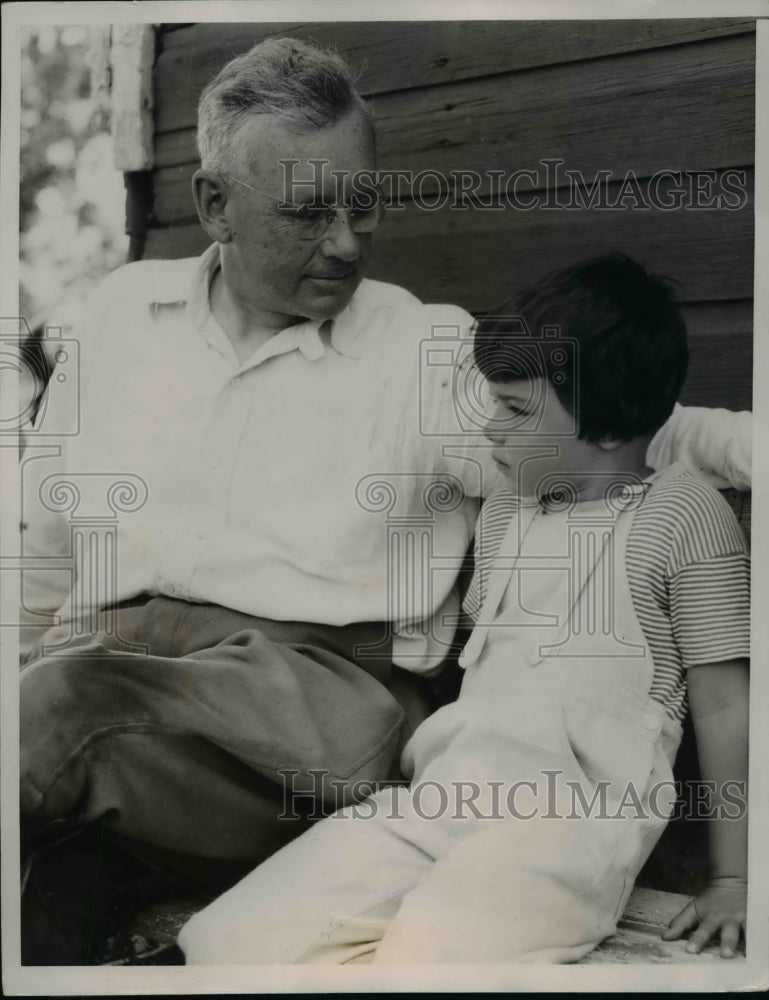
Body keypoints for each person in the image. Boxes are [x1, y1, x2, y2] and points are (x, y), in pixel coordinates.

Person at [18, 36, 750, 964]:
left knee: (60, 706)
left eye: (362, 205)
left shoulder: (419, 350)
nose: (345, 242)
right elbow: (46, 538)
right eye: (307, 212)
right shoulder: (123, 314)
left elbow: (615, 419)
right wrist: (29, 653)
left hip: (316, 710)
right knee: (55, 855)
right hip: (129, 699)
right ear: (213, 204)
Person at [179, 254, 749, 965]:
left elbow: (727, 707)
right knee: (226, 943)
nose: (490, 427)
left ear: (608, 428)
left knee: (428, 959)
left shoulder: (681, 513)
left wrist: (735, 877)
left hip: (566, 826)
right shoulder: (508, 510)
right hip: (443, 796)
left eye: (515, 409)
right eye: (492, 401)